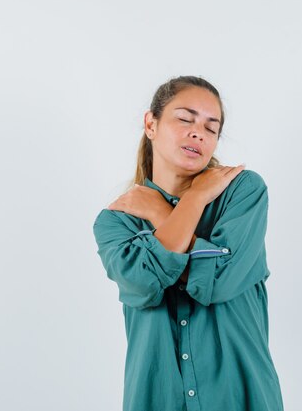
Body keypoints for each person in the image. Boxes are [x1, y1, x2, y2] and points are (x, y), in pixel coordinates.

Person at [92, 75, 284, 411]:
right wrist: (194, 199)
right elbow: (145, 281)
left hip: (241, 397)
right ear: (151, 123)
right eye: (185, 119)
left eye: (212, 128)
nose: (198, 132)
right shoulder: (117, 220)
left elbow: (219, 281)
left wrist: (163, 212)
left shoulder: (243, 192)